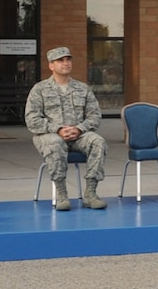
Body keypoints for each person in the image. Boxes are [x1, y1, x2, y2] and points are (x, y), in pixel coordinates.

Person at [25, 46, 109, 211]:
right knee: (55, 143)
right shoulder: (40, 89)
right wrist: (58, 129)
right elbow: (32, 120)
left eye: (68, 59)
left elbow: (94, 116)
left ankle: (90, 193)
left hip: (78, 135)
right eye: (60, 60)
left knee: (98, 142)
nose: (65, 63)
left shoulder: (82, 88)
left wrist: (79, 129)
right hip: (49, 135)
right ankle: (62, 194)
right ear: (51, 65)